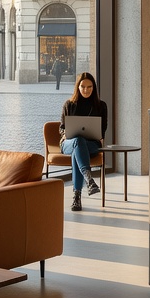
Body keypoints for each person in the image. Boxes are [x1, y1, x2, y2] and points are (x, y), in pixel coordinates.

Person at [60, 71, 109, 211]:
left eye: (89, 87)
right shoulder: (69, 104)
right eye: (83, 86)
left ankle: (77, 197)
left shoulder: (101, 106)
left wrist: (98, 136)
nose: (86, 90)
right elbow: (62, 128)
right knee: (78, 141)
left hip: (92, 144)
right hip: (68, 143)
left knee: (78, 149)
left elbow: (102, 130)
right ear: (78, 87)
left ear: (94, 88)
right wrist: (65, 133)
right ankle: (89, 180)